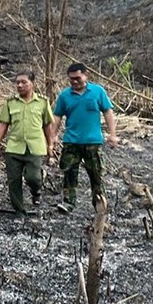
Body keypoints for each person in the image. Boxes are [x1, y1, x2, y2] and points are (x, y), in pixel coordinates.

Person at [52, 63, 118, 213]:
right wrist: (53, 137)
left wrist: (113, 134)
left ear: (85, 75)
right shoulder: (64, 95)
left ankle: (100, 204)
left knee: (96, 174)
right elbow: (57, 116)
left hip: (93, 142)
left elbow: (108, 112)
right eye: (71, 79)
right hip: (71, 141)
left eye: (77, 78)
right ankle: (68, 202)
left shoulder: (97, 92)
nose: (75, 82)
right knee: (69, 173)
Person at [0, 71, 55, 215]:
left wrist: (50, 144)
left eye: (24, 82)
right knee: (13, 180)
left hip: (35, 147)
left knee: (33, 177)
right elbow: (4, 124)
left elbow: (47, 126)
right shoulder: (10, 103)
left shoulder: (43, 103)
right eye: (17, 82)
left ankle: (36, 190)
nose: (19, 85)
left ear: (33, 84)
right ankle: (19, 210)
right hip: (14, 146)